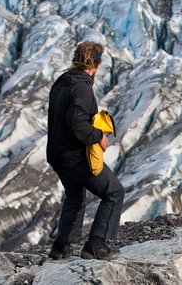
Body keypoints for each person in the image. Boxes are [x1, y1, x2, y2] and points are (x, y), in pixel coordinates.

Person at [46, 41, 125, 260]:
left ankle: (61, 248)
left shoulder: (62, 82)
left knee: (75, 196)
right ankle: (95, 244)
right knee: (114, 192)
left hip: (57, 155)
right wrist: (99, 137)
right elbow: (78, 125)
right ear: (96, 64)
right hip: (75, 157)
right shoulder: (82, 88)